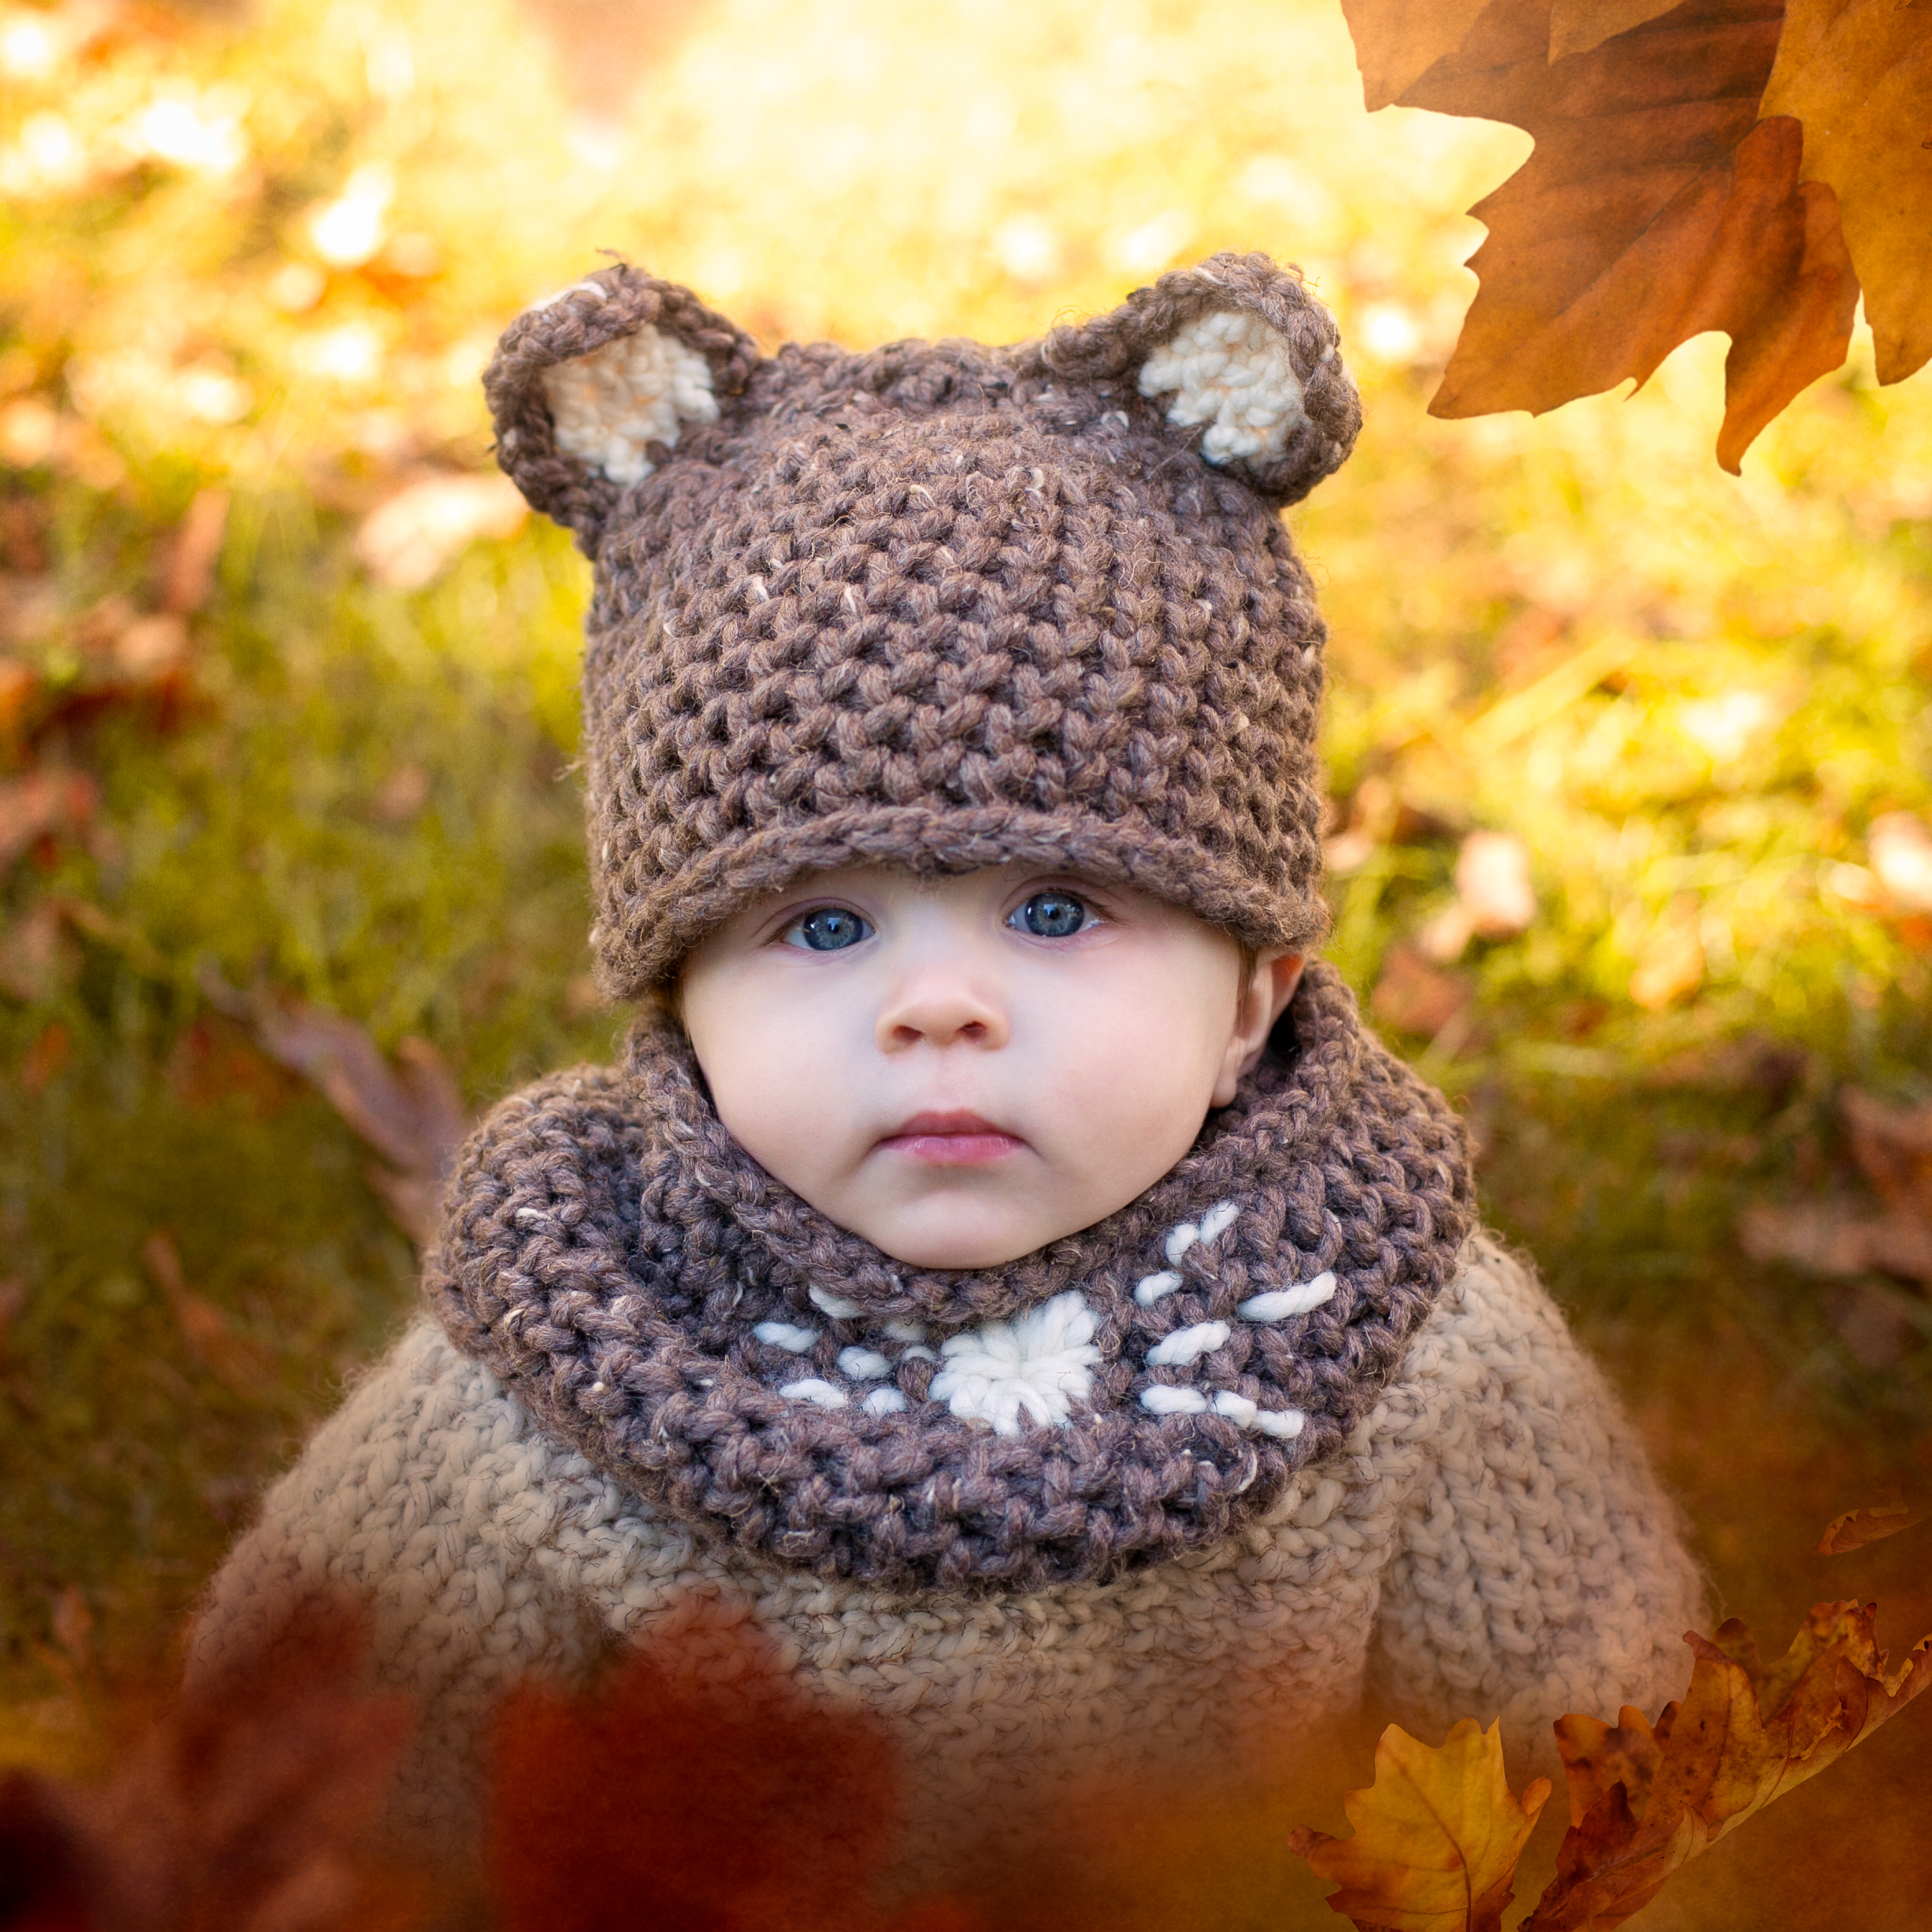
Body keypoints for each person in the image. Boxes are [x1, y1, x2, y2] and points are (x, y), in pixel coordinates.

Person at [189, 253, 1704, 1865]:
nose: (939, 1006)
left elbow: (1610, 1723)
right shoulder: (574, 1373)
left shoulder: (1390, 1336)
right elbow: (294, 1774)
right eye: (823, 928)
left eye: (1056, 908)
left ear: (1256, 996)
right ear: (678, 1006)